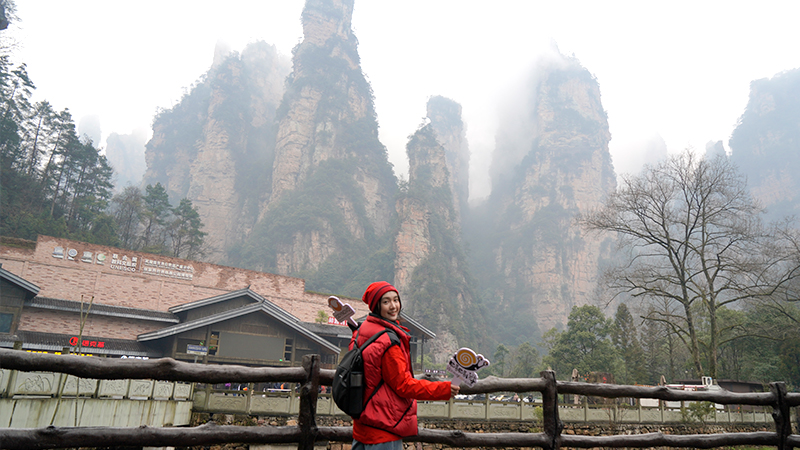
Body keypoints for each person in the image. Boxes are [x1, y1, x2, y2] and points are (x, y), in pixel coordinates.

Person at [350, 281, 459, 450]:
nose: (393, 306)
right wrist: (443, 389)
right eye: (386, 302)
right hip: (383, 427)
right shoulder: (388, 341)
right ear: (376, 306)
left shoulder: (361, 331)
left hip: (362, 423)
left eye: (396, 300)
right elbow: (403, 385)